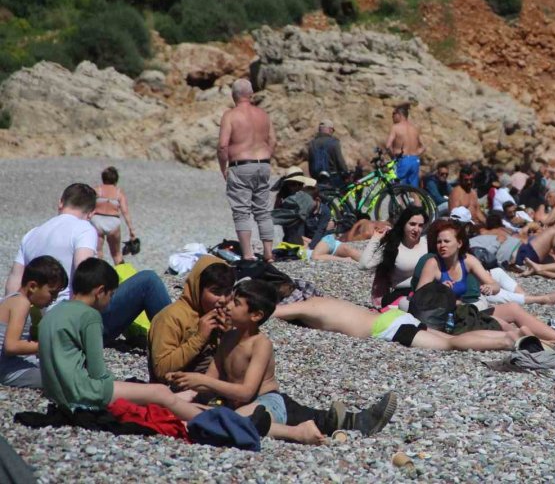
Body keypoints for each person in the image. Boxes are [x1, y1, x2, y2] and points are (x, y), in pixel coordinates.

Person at [168, 280, 399, 444]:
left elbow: (246, 392)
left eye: (236, 303)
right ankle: (341, 420)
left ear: (256, 316)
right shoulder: (227, 338)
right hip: (242, 403)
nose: (227, 306)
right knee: (201, 413)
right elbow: (210, 382)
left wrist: (200, 382)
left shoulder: (261, 344)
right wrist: (185, 382)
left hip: (266, 402)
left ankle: (302, 431)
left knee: (231, 420)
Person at [38, 259, 204, 422]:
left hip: (55, 393)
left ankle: (181, 401)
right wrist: (122, 390)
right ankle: (210, 421)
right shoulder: (90, 316)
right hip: (82, 393)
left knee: (150, 393)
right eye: (111, 295)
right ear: (100, 292)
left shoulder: (54, 313)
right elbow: (98, 373)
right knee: (160, 392)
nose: (110, 300)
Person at [5, 183, 171, 342]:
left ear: (61, 202)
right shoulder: (83, 228)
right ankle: (175, 339)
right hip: (72, 325)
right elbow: (85, 275)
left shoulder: (32, 234)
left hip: (42, 324)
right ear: (91, 213)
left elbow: (13, 287)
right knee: (148, 281)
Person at [412, 220, 555, 354]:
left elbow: (493, 284)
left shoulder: (468, 260)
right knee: (501, 323)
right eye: (439, 242)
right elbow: (420, 298)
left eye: (446, 241)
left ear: (459, 243)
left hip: (471, 310)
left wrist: (490, 288)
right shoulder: (432, 263)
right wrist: (440, 289)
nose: (441, 245)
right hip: (451, 317)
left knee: (513, 309)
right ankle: (539, 342)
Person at [274, 295, 519, 351]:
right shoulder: (321, 298)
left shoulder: (306, 307)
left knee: (451, 344)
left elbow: (275, 312)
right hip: (391, 317)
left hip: (386, 328)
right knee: (445, 338)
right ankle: (514, 337)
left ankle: (507, 341)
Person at [217, 79, 277, 263]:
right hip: (263, 164)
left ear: (233, 95)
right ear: (251, 94)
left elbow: (222, 146)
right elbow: (273, 140)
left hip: (241, 165)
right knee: (263, 210)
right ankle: (268, 253)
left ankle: (248, 254)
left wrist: (223, 168)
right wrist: (266, 159)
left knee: (241, 211)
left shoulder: (230, 116)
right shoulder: (263, 115)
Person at [148, 256, 234, 383]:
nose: (222, 300)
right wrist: (199, 338)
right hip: (177, 391)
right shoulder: (172, 317)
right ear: (197, 288)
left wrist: (229, 335)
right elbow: (161, 369)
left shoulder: (224, 316)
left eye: (227, 293)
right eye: (216, 292)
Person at [0, 256, 67, 388]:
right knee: (63, 379)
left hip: (9, 364)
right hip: (7, 369)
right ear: (32, 286)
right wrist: (47, 346)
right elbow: (11, 346)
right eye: (52, 293)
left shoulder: (12, 299)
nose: (53, 299)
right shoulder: (22, 304)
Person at [359, 206, 429, 307]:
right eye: (412, 224)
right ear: (404, 224)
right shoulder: (393, 246)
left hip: (425, 291)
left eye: (420, 225)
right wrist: (375, 238)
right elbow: (363, 265)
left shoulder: (427, 243)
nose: (416, 229)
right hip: (401, 294)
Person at [91, 166, 137, 265]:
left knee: (98, 252)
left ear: (103, 178)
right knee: (116, 254)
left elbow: (87, 205)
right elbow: (125, 212)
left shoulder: (97, 190)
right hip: (113, 222)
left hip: (97, 221)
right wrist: (131, 230)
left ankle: (98, 277)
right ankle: (123, 277)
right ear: (116, 179)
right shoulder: (119, 193)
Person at [386, 103, 425, 187]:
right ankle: (417, 201)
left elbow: (388, 146)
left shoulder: (396, 127)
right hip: (415, 160)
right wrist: (414, 154)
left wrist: (393, 157)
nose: (392, 117)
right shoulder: (414, 128)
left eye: (393, 114)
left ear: (400, 115)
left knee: (397, 188)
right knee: (414, 190)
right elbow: (423, 147)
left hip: (402, 160)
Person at [307, 119, 348, 188]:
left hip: (318, 180)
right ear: (330, 129)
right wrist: (346, 174)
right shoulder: (334, 143)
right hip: (334, 180)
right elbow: (340, 162)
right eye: (332, 130)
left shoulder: (311, 144)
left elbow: (310, 165)